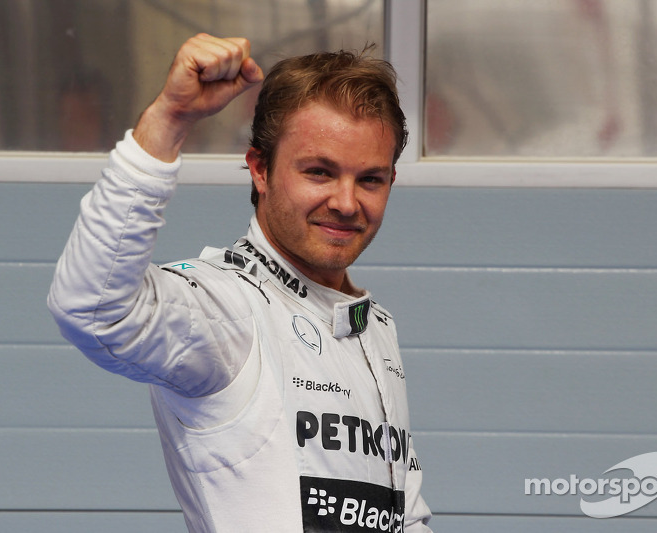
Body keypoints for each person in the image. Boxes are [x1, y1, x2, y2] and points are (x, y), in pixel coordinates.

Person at [47, 34, 432, 532]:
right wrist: (168, 119)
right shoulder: (226, 307)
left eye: (370, 179)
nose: (345, 201)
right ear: (260, 170)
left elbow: (406, 515)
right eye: (319, 171)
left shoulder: (375, 327)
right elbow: (92, 308)